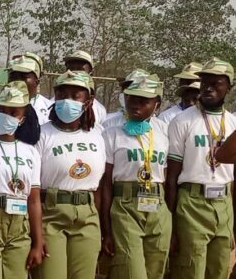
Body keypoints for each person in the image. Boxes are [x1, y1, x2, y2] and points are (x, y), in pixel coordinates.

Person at [166, 58, 235, 279]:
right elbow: (172, 176)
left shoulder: (233, 123)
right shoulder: (182, 121)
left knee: (219, 269)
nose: (208, 88)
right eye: (205, 82)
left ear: (229, 87)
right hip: (192, 203)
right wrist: (172, 223)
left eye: (216, 83)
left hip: (224, 203)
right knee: (191, 269)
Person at [32, 70, 105, 279]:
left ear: (89, 100)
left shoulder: (98, 135)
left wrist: (98, 224)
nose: (68, 101)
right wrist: (36, 235)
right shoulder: (42, 134)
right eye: (62, 94)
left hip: (87, 216)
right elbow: (33, 190)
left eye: (75, 95)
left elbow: (99, 186)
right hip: (51, 214)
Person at [100, 74, 171, 279]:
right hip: (125, 207)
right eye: (131, 99)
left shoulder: (162, 136)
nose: (136, 105)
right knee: (132, 271)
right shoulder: (111, 134)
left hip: (158, 208)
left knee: (154, 271)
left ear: (156, 104)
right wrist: (106, 229)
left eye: (143, 101)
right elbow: (106, 185)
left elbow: (164, 176)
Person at [0, 80, 46, 278]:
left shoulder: (30, 152)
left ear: (22, 118)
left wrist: (38, 243)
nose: (6, 116)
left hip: (19, 225)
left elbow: (34, 199)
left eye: (13, 112)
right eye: (2, 109)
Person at [64, 50, 107, 126]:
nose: (75, 73)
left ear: (90, 73)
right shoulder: (54, 104)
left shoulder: (99, 110)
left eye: (80, 70)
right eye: (71, 69)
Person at [6, 53, 51, 125]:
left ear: (37, 81)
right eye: (13, 77)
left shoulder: (48, 107)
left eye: (23, 77)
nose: (18, 82)